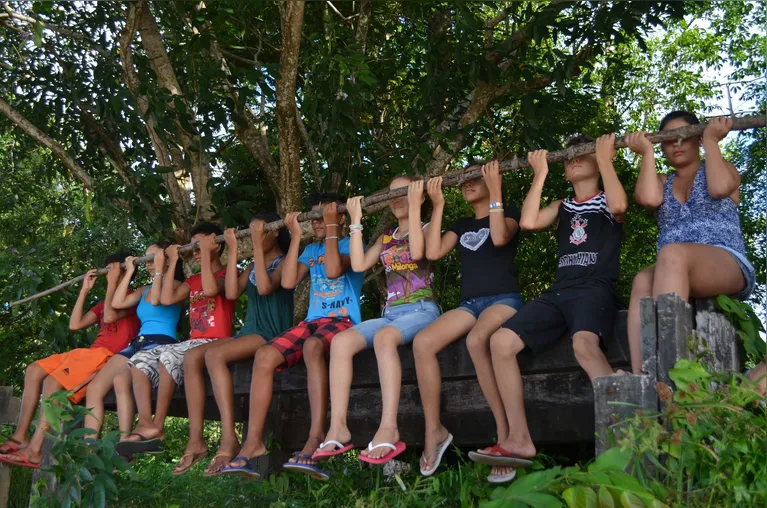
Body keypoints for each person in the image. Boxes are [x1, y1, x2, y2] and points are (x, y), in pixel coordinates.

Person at [468, 135, 627, 483]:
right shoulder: (563, 205)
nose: (573, 160)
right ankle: (519, 439)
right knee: (500, 342)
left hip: (593, 288)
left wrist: (606, 159)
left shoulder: (605, 199)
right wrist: (539, 173)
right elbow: (528, 221)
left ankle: (627, 427)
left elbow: (618, 207)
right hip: (560, 292)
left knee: (584, 345)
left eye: (582, 155)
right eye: (568, 157)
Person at [222, 194, 364, 480]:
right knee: (264, 355)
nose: (319, 223)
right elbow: (287, 282)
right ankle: (253, 441)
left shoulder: (351, 244)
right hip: (313, 321)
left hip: (343, 320)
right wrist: (298, 236)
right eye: (315, 219)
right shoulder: (310, 250)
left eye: (324, 217)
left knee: (312, 347)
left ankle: (315, 437)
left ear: (340, 218)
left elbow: (335, 268)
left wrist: (333, 228)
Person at [313, 176, 440, 465]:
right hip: (391, 314)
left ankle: (389, 427)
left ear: (417, 196)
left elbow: (419, 252)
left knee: (384, 339)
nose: (396, 198)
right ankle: (338, 426)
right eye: (391, 194)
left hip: (422, 310)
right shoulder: (386, 239)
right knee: (341, 342)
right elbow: (358, 264)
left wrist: (418, 204)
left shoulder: (427, 228)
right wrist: (356, 220)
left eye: (403, 193)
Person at [412, 160, 523, 479]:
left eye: (476, 177)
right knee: (423, 343)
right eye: (463, 180)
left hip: (505, 300)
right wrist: (438, 205)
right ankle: (434, 430)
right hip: (470, 305)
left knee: (477, 339)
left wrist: (497, 190)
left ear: (491, 180)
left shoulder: (509, 212)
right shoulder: (460, 226)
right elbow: (431, 252)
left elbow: (500, 237)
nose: (467, 183)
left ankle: (504, 437)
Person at [625, 113, 756, 374]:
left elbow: (719, 188)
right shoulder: (664, 182)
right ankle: (643, 374)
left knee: (673, 254)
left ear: (696, 139)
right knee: (642, 279)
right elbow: (648, 198)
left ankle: (672, 369)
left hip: (725, 261)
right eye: (668, 140)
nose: (676, 144)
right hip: (673, 267)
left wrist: (711, 141)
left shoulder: (721, 167)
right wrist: (646, 154)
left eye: (685, 137)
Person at [0, 253, 140, 469]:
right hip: (89, 353)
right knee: (34, 370)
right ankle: (20, 436)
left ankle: (35, 449)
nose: (108, 276)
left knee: (53, 383)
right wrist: (84, 290)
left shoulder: (132, 297)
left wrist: (114, 283)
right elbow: (75, 324)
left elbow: (111, 315)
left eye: (112, 270)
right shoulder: (104, 302)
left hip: (108, 357)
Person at [117, 222, 235, 471]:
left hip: (216, 341)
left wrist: (206, 254)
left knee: (170, 353)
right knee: (139, 361)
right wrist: (169, 264)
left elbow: (212, 289)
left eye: (199, 245)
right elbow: (165, 299)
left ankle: (158, 426)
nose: (195, 250)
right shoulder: (191, 281)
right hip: (192, 343)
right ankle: (147, 424)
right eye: (193, 247)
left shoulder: (225, 275)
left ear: (216, 245)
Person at [194, 213, 293, 476]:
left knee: (214, 355)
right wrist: (235, 249)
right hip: (248, 332)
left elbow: (263, 287)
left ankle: (229, 439)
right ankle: (198, 440)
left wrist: (257, 248)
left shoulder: (285, 262)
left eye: (259, 232)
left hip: (271, 333)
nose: (254, 238)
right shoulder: (251, 266)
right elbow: (230, 293)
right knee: (196, 355)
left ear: (273, 232)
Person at [82, 240, 184, 440]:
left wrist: (163, 269)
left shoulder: (178, 285)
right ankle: (92, 446)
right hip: (138, 343)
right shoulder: (144, 289)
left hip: (161, 342)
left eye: (152, 258)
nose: (147, 263)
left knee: (121, 379)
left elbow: (157, 299)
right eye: (145, 259)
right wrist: (127, 273)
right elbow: (117, 303)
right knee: (96, 386)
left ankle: (125, 439)